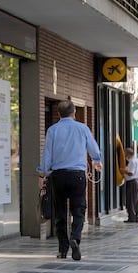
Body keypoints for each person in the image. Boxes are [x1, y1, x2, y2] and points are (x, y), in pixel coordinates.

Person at [37, 100, 102, 261]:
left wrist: (42, 174)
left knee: (60, 212)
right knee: (78, 209)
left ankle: (62, 249)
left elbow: (47, 155)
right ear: (74, 113)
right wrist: (96, 160)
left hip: (58, 175)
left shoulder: (52, 130)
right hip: (78, 175)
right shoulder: (82, 128)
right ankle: (75, 237)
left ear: (58, 114)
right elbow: (94, 150)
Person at [120, 148, 138, 223]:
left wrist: (123, 170)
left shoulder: (132, 161)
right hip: (136, 182)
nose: (125, 156)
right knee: (135, 200)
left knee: (131, 200)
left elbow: (131, 173)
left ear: (128, 154)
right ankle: (136, 216)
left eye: (125, 154)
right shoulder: (137, 160)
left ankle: (132, 217)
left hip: (132, 182)